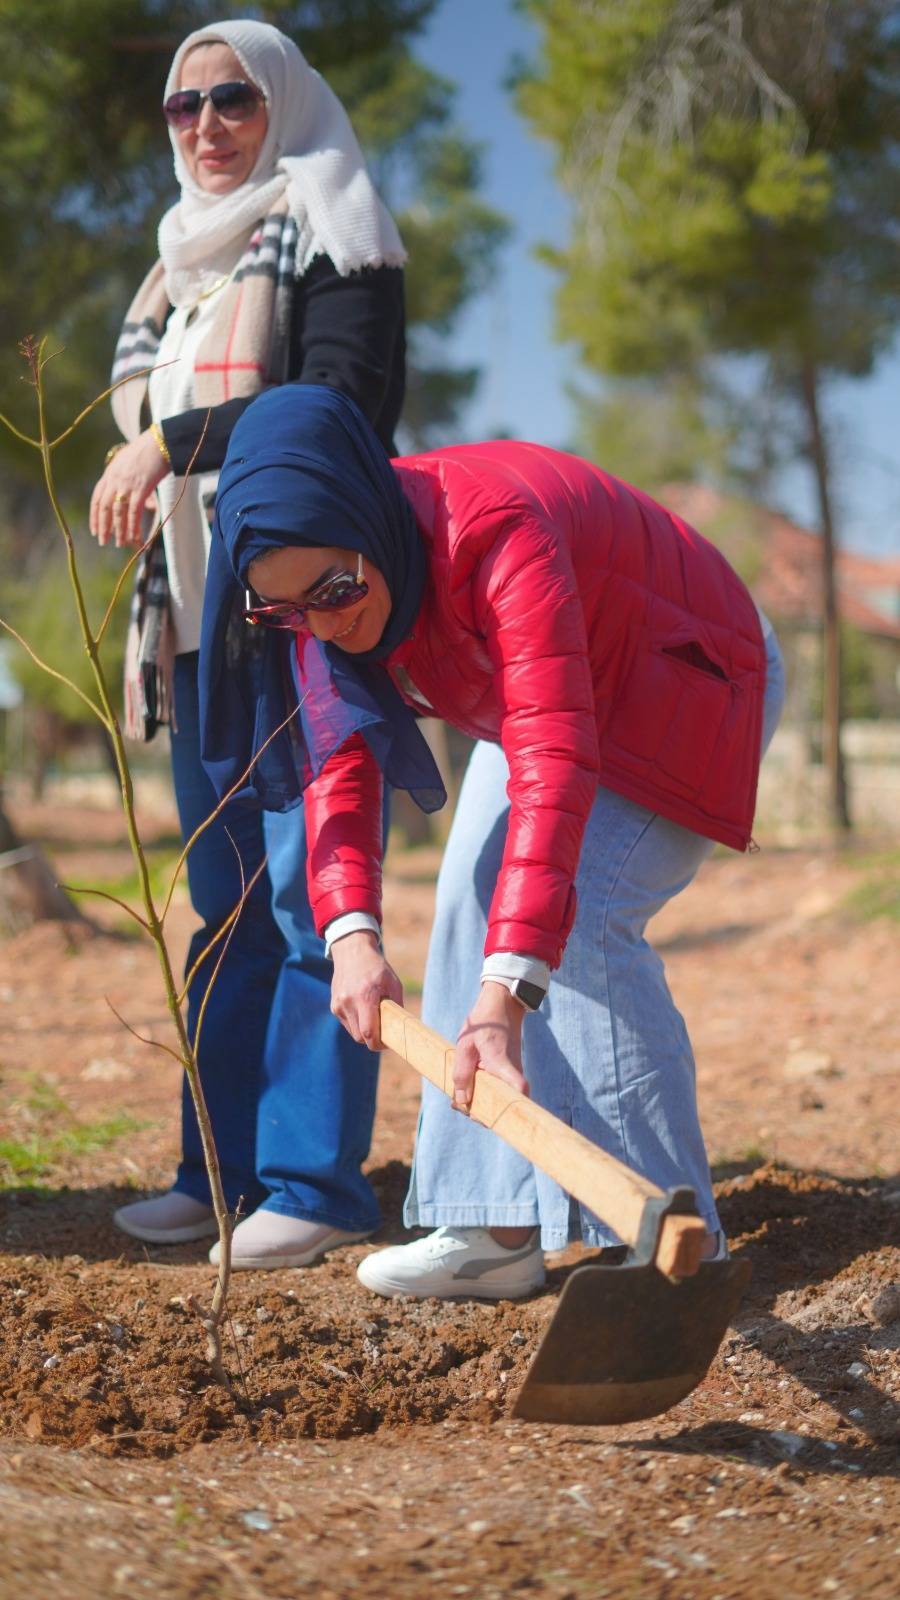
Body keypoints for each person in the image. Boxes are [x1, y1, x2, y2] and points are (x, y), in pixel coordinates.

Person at [199, 383, 786, 1300]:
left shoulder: (497, 528)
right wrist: (350, 935)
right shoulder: (318, 586)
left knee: (579, 926)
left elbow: (556, 757)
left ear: (365, 518)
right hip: (541, 701)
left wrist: (502, 1002)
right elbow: (338, 763)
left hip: (686, 672)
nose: (322, 622)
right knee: (475, 897)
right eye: (285, 612)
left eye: (338, 591)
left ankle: (679, 1255)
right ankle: (492, 1227)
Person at [90, 20, 406, 1269]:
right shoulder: (173, 278)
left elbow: (337, 404)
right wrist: (157, 449)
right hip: (187, 629)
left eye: (234, 99)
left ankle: (316, 1185)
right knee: (222, 906)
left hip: (296, 612)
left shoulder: (337, 227)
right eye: (185, 106)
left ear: (282, 102)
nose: (209, 126)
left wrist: (173, 441)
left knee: (309, 892)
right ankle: (211, 1170)